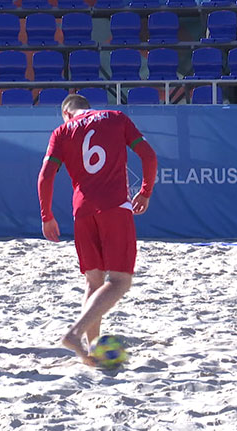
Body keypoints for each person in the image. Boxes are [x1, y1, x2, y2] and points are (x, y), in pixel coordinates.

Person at [37, 94, 158, 366]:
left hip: (82, 210)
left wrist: (47, 215)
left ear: (66, 113)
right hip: (114, 206)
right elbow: (149, 156)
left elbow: (45, 176)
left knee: (93, 282)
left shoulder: (62, 131)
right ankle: (75, 333)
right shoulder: (116, 118)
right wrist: (146, 192)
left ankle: (91, 350)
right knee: (119, 281)